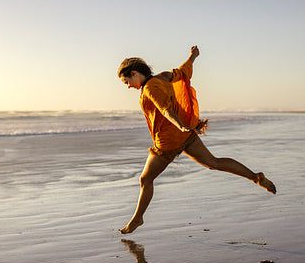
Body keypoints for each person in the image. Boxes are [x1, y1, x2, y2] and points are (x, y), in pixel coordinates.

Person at [117, 46, 276, 234]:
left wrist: (179, 125)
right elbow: (183, 71)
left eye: (127, 81)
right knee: (213, 162)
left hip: (169, 141)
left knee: (145, 180)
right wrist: (193, 56)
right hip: (185, 135)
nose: (128, 86)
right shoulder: (163, 77)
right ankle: (256, 178)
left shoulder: (150, 88)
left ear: (134, 73)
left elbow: (164, 109)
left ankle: (138, 218)